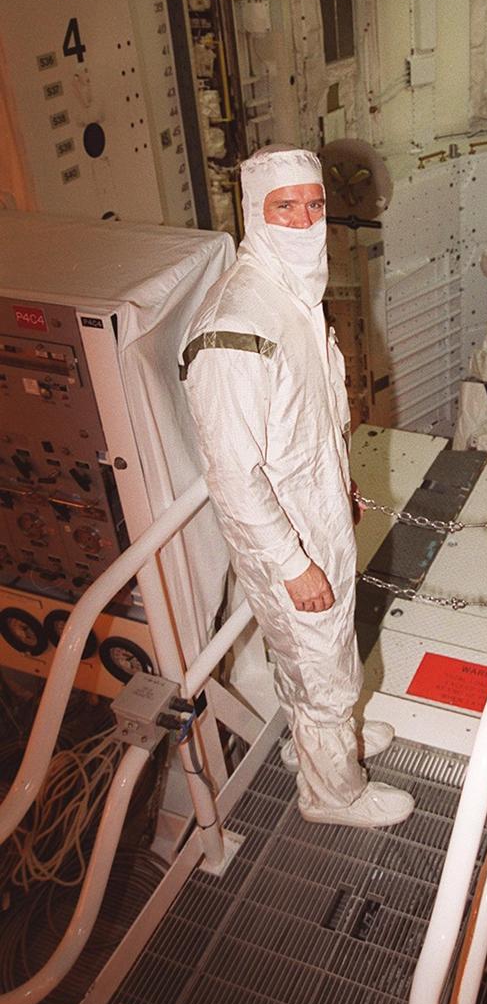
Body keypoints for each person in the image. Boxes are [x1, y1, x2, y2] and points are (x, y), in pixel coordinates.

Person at [179, 145, 414, 828]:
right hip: (282, 530)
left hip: (312, 505)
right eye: (286, 206)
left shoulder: (291, 293)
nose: (305, 218)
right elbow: (231, 473)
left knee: (314, 650)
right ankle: (333, 794)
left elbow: (309, 413)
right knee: (323, 662)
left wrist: (336, 488)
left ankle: (317, 746)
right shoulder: (236, 324)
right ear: (256, 212)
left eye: (314, 203)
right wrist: (292, 562)